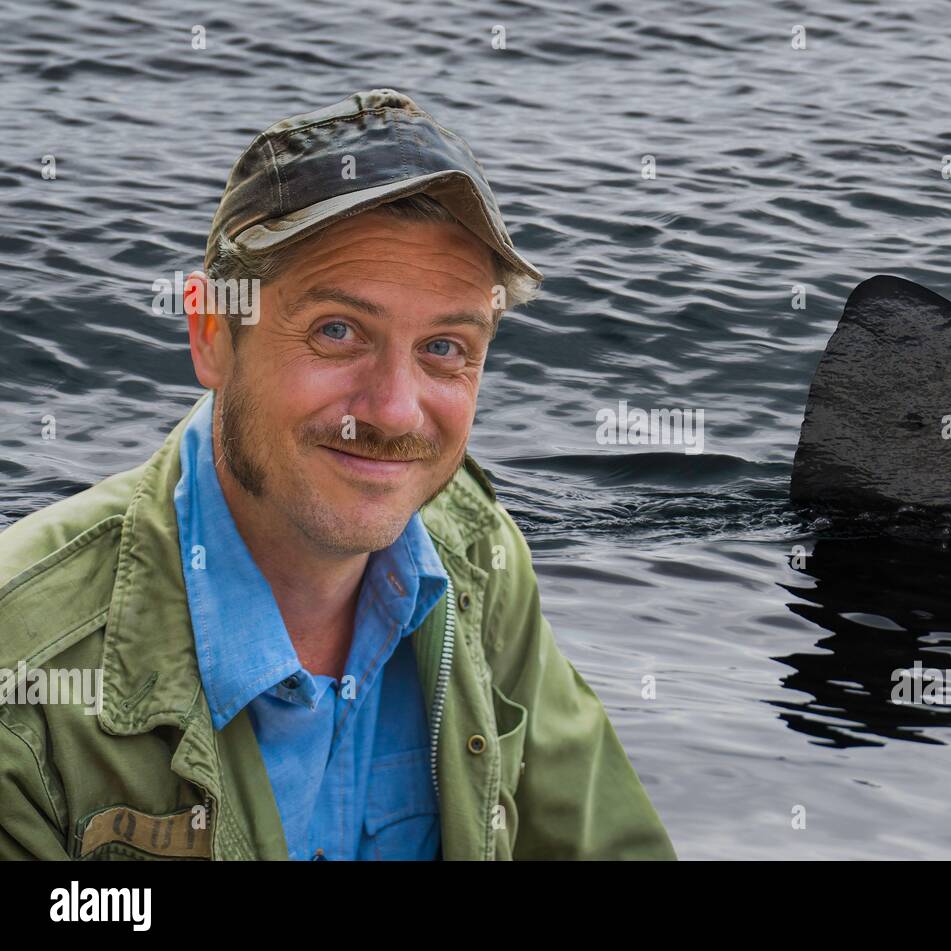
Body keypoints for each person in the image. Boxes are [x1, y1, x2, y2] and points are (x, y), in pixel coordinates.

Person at [0, 89, 675, 861]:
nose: (392, 411)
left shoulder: (479, 559)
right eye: (337, 330)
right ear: (212, 331)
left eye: (445, 348)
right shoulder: (23, 669)